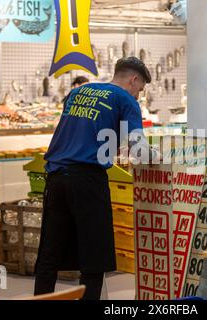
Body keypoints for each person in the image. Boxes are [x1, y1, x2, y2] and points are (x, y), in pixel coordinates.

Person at [34, 57, 157, 300]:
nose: (139, 96)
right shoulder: (126, 101)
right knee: (94, 257)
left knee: (49, 254)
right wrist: (161, 158)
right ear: (134, 80)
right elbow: (139, 151)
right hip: (87, 180)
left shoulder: (78, 92)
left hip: (56, 178)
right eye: (140, 89)